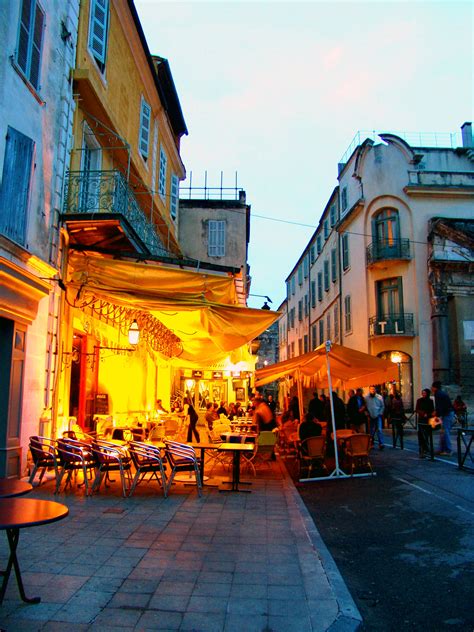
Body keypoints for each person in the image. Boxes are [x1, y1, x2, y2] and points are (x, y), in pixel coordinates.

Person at [432, 381, 455, 456]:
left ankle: (448, 450)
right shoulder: (441, 393)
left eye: (432, 387)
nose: (431, 389)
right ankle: (442, 449)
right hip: (447, 413)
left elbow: (440, 406)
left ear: (434, 387)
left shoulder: (438, 394)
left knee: (445, 432)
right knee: (443, 432)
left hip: (447, 414)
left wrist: (436, 415)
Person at [416, 388, 435, 457]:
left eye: (424, 393)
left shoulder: (430, 401)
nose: (423, 394)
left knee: (427, 434)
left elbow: (432, 410)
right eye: (422, 393)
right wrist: (423, 413)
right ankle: (422, 448)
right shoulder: (419, 400)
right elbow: (417, 409)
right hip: (421, 419)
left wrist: (429, 414)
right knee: (421, 434)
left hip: (428, 419)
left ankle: (426, 447)